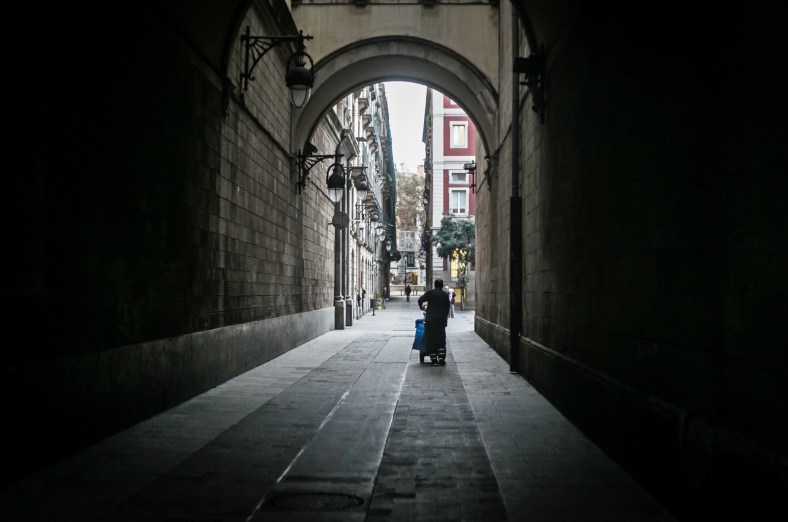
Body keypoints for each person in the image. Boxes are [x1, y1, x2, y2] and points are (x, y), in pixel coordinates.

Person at [418, 279, 451, 365]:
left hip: (431, 321)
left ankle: (434, 360)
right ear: (442, 285)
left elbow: (420, 300)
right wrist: (445, 318)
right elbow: (447, 308)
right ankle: (441, 358)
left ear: (435, 285)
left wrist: (422, 307)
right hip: (441, 321)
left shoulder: (430, 293)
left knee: (431, 339)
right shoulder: (445, 295)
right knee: (441, 340)